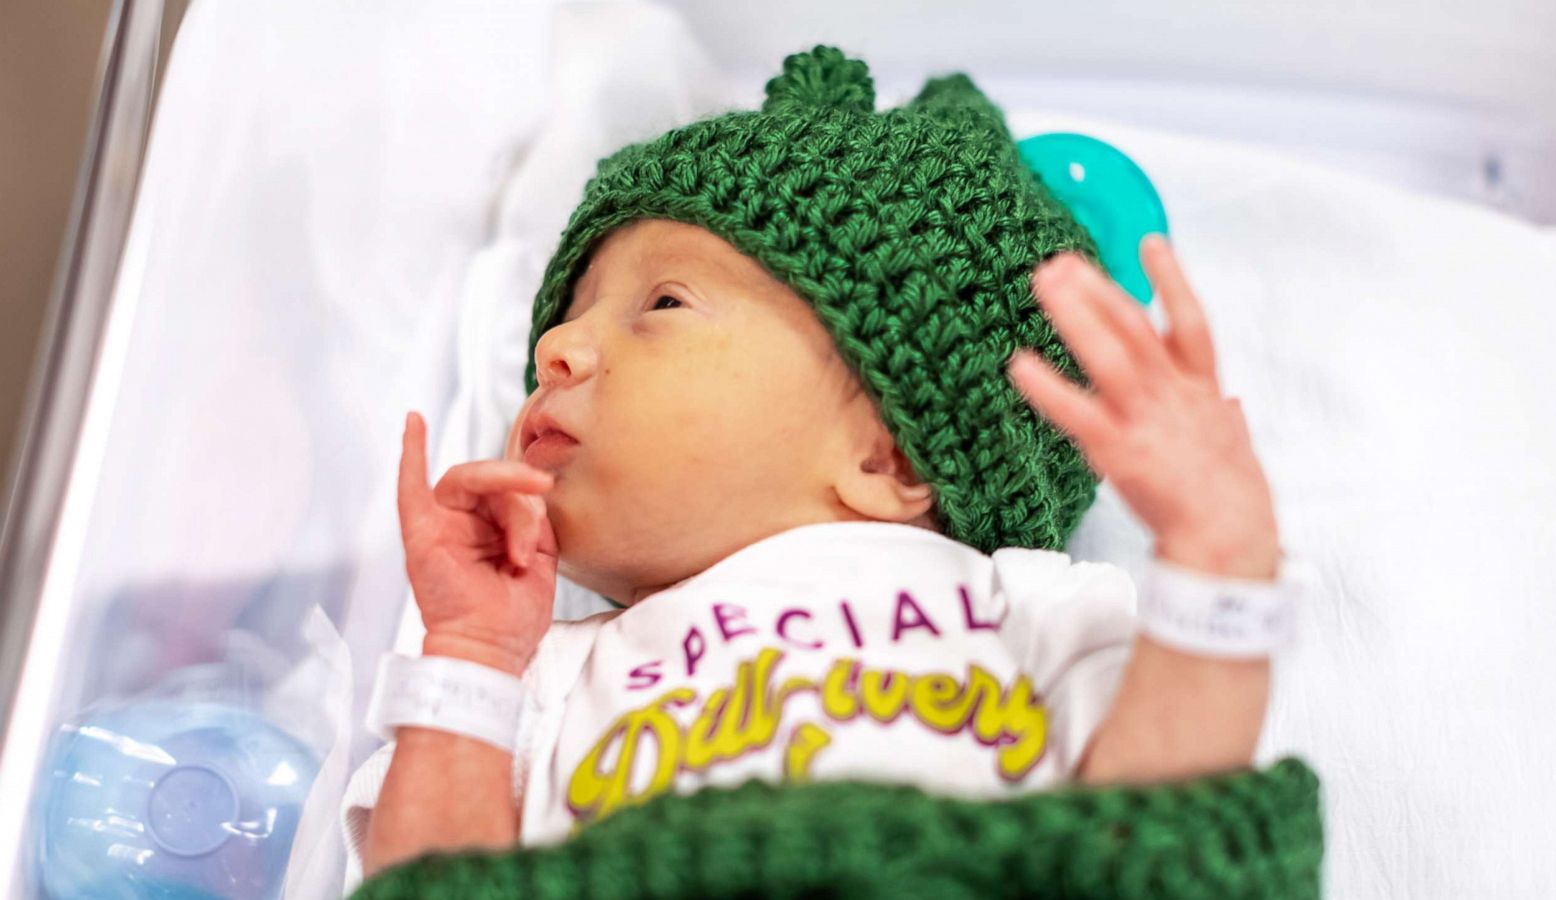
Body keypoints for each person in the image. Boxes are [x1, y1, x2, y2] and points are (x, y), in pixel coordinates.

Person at [338, 44, 1303, 893]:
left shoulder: (1026, 611)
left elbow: (1159, 836)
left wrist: (1217, 560)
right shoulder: (549, 670)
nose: (556, 349)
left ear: (889, 455)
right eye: (565, 317)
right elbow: (433, 881)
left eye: (662, 304)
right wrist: (467, 653)